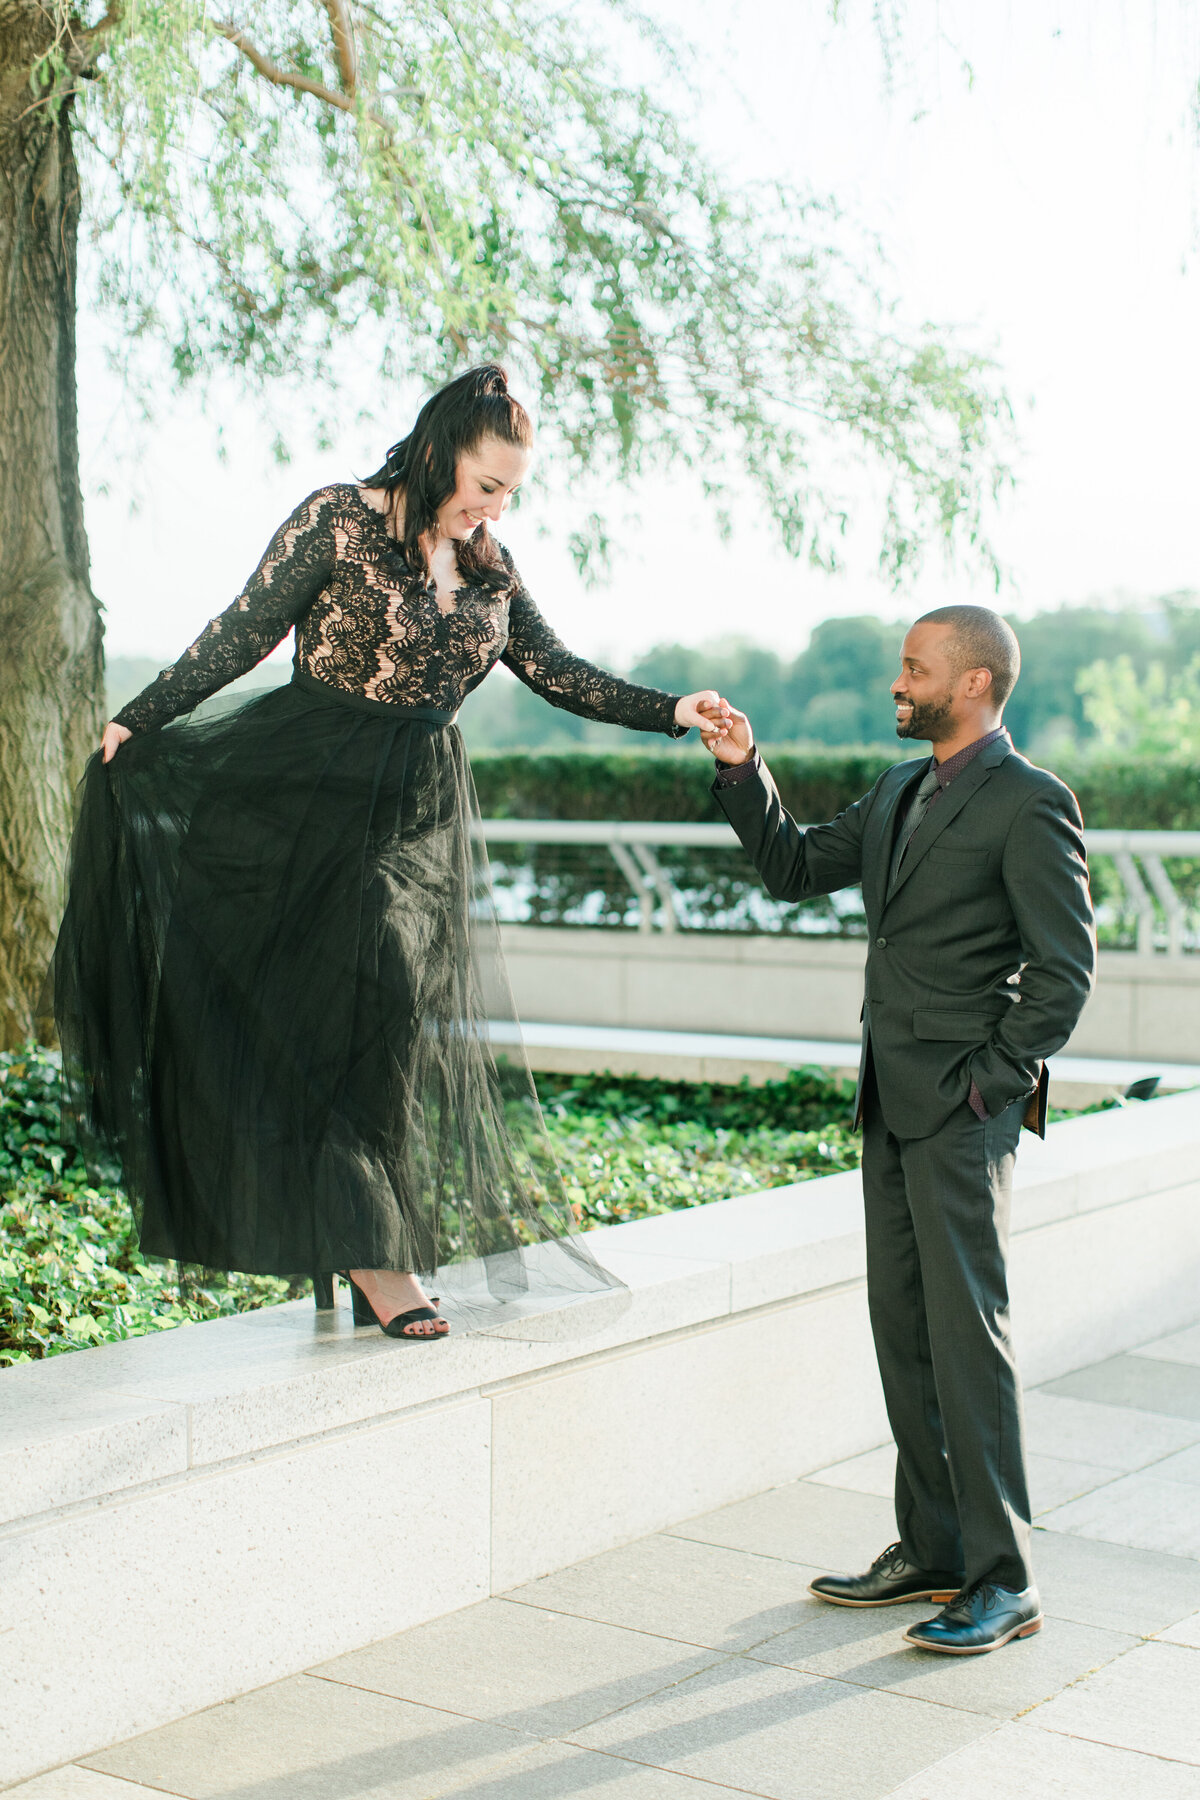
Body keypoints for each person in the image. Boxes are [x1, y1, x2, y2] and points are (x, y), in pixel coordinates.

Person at [52, 364, 731, 1342]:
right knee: (338, 1014)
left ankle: (364, 1233)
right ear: (439, 447)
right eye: (486, 483)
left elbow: (556, 671)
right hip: (302, 799)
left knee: (390, 1027)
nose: (494, 506)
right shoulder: (340, 519)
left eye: (510, 492)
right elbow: (243, 631)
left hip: (416, 817)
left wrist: (673, 711)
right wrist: (139, 718)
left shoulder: (493, 568)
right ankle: (376, 1254)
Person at [703, 606, 1095, 1655]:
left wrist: (990, 1086)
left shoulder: (1031, 803)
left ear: (972, 684)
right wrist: (744, 769)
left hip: (963, 1112)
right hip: (890, 1097)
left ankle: (1004, 1579)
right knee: (906, 1328)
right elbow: (790, 867)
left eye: (914, 669)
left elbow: (1064, 974)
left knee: (969, 1340)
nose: (898, 682)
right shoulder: (898, 790)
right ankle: (930, 1548)